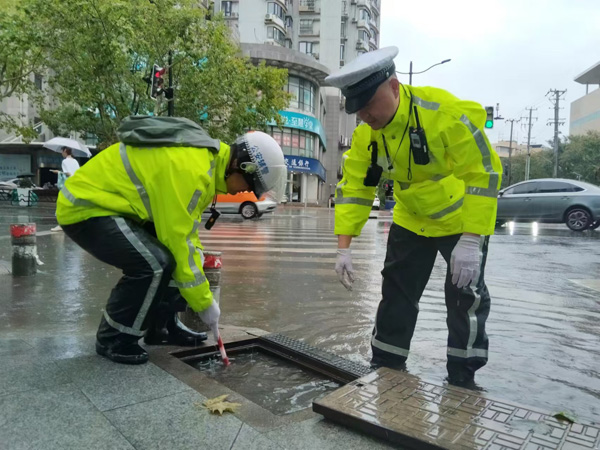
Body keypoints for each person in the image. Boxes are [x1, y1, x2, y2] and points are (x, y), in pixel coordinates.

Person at [327, 47, 502, 386]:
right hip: (410, 218)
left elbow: (485, 172)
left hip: (459, 220)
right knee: (396, 293)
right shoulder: (368, 135)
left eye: (368, 104)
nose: (364, 116)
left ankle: (462, 378)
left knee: (465, 298)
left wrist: (471, 239)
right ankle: (386, 367)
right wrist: (343, 247)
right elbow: (355, 189)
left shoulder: (444, 115)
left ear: (393, 87)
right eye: (357, 109)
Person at [56, 115, 287, 364]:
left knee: (184, 259)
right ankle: (113, 337)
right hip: (86, 207)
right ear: (240, 166)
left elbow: (187, 237)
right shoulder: (193, 170)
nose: (247, 192)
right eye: (250, 184)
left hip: (117, 207)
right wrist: (204, 302)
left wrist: (197, 265)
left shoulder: (208, 166)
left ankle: (162, 328)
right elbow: (177, 241)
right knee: (154, 264)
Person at [51, 147, 81, 232]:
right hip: (75, 185)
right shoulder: (75, 161)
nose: (61, 153)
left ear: (65, 151)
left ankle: (61, 225)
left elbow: (67, 174)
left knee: (61, 204)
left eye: (62, 151)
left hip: (67, 186)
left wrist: (58, 172)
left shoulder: (65, 161)